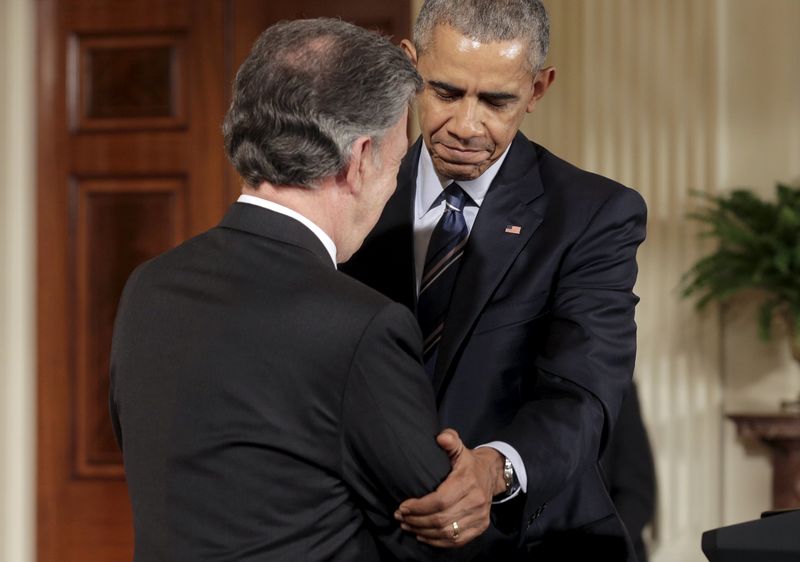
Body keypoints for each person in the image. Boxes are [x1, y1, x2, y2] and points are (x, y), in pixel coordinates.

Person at [109, 18, 487, 561]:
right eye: (399, 164)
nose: (394, 186)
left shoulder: (148, 288)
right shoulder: (361, 325)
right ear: (360, 161)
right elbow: (437, 527)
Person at [342, 0, 648, 560]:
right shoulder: (345, 198)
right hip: (373, 538)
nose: (466, 125)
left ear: (537, 90)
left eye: (496, 101)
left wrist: (495, 468)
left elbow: (583, 393)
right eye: (446, 93)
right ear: (410, 68)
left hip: (532, 540)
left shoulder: (594, 213)